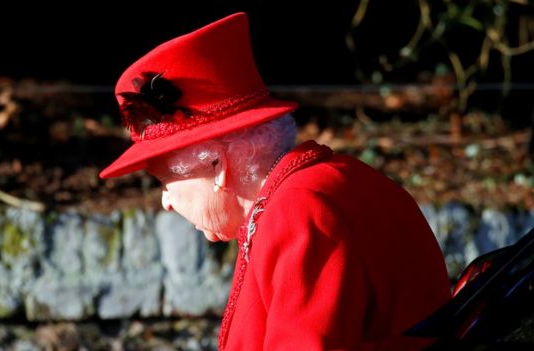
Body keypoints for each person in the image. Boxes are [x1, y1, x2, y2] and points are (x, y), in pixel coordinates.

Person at [99, 12, 452, 351]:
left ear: (217, 165)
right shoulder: (324, 185)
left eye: (166, 181)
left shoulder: (299, 210)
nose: (166, 202)